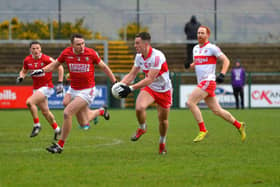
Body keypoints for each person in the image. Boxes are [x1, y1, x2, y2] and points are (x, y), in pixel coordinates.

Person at [31, 34, 117, 154]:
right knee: (82, 120)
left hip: (87, 90)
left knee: (67, 113)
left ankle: (60, 145)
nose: (81, 46)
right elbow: (55, 65)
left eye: (83, 43)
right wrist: (42, 70)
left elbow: (104, 67)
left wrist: (115, 82)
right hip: (73, 88)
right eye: (78, 44)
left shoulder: (91, 53)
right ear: (72, 45)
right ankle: (100, 111)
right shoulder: (66, 53)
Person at [185, 25, 246, 142]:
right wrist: (190, 65)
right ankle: (239, 125)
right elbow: (197, 64)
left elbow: (226, 60)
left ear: (208, 35)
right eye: (198, 33)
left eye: (202, 33)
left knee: (190, 102)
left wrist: (222, 74)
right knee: (217, 110)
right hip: (203, 82)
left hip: (208, 81)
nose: (200, 35)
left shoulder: (212, 48)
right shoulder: (195, 49)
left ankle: (203, 130)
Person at [117, 32, 172, 155]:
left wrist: (130, 88)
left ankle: (162, 143)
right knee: (139, 107)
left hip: (164, 90)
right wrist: (120, 85)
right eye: (135, 43)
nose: (135, 45)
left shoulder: (157, 56)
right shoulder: (139, 56)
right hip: (150, 89)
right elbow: (132, 74)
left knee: (163, 120)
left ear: (146, 44)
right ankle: (142, 128)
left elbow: (150, 78)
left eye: (138, 43)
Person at [16, 41, 64, 140]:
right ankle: (57, 129)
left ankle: (37, 125)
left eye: (37, 48)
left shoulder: (46, 58)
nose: (36, 50)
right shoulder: (27, 60)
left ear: (41, 49)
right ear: (30, 50)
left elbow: (60, 67)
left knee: (29, 102)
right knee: (45, 112)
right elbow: (24, 71)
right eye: (33, 48)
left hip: (47, 87)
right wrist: (21, 77)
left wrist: (60, 82)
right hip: (37, 89)